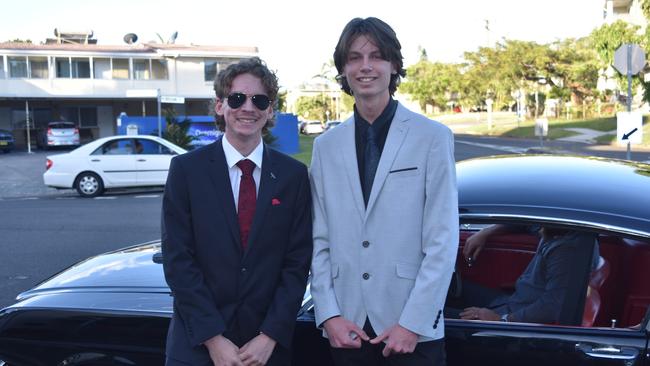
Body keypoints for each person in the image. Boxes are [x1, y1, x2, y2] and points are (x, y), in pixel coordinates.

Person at [309, 17, 458, 365]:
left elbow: (442, 238)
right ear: (343, 69)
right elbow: (319, 238)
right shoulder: (325, 147)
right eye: (355, 57)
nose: (365, 67)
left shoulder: (432, 138)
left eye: (376, 56)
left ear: (393, 65)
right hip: (348, 329)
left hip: (410, 331)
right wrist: (328, 314)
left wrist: (413, 323)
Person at [162, 57, 312, 366]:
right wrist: (213, 339)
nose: (248, 107)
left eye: (259, 100)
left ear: (270, 110)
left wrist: (270, 335)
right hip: (197, 348)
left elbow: (297, 264)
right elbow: (178, 260)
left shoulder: (293, 176)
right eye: (237, 98)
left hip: (266, 351)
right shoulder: (186, 171)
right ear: (220, 105)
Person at [456, 224, 598, 324]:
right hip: (514, 301)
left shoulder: (567, 249)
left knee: (442, 319)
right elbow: (523, 225)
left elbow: (551, 307)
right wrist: (486, 232)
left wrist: (501, 320)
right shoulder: (556, 227)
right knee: (457, 287)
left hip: (516, 318)